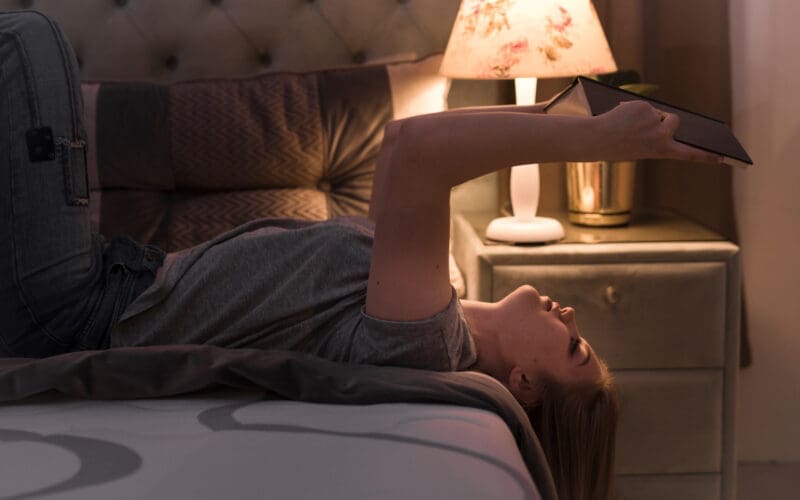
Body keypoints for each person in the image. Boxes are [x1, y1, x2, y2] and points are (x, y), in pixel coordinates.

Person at [0, 11, 722, 500]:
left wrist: (599, 139)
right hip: (94, 278)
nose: (570, 316)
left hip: (75, 308)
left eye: (574, 346)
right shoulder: (415, 297)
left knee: (30, 42)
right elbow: (408, 148)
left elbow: (417, 150)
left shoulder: (426, 343)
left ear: (526, 383)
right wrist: (578, 116)